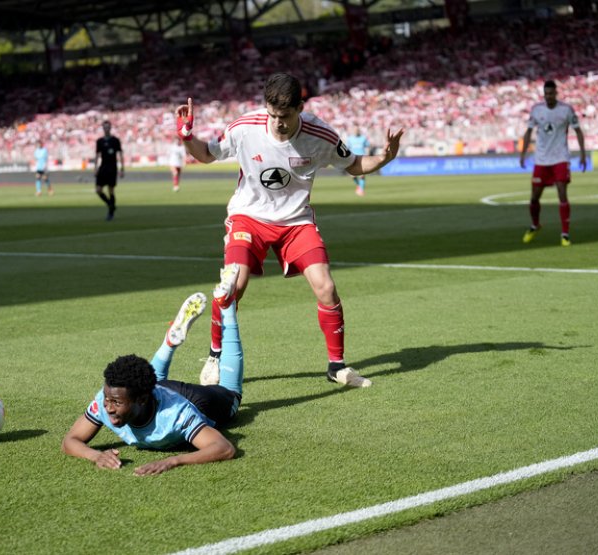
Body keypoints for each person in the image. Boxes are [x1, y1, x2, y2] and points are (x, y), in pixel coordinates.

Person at [175, 72, 403, 389]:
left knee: (326, 286)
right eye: (273, 114)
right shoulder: (244, 128)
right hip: (248, 217)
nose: (278, 123)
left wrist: (385, 158)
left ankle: (336, 366)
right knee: (233, 284)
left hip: (295, 222)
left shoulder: (319, 134)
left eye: (285, 115)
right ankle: (214, 356)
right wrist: (186, 135)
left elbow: (351, 165)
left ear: (300, 107)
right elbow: (205, 154)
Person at [62, 264, 244, 476]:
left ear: (140, 400)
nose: (108, 408)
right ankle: (169, 343)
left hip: (196, 401)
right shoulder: (107, 399)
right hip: (154, 391)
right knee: (142, 382)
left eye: (116, 403)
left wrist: (173, 461)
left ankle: (227, 305)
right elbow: (69, 441)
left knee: (232, 393)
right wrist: (95, 455)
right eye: (107, 400)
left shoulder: (177, 415)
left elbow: (224, 448)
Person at [519, 80, 586, 247]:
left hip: (560, 158)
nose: (548, 96)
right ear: (544, 94)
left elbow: (578, 131)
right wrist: (523, 153)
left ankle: (565, 234)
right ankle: (535, 225)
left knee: (562, 193)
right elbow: (528, 132)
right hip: (541, 159)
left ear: (556, 93)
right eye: (546, 93)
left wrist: (583, 154)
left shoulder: (566, 110)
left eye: (551, 93)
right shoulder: (536, 110)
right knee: (534, 197)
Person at [94, 120, 124, 221]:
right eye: (104, 127)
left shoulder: (115, 140)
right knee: (98, 190)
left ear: (110, 128)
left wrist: (122, 168)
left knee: (111, 190)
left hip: (112, 168)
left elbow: (120, 154)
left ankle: (111, 212)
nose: (106, 128)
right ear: (103, 128)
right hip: (103, 167)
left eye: (108, 127)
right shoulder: (99, 141)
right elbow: (97, 155)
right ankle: (110, 205)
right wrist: (95, 168)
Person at [346, 128, 370, 196]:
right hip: (353, 158)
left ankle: (361, 190)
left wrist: (367, 155)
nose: (356, 131)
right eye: (355, 130)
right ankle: (359, 186)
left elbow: (367, 146)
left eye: (357, 130)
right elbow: (347, 148)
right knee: (352, 176)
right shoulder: (350, 139)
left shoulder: (363, 138)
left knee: (362, 175)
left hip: (362, 157)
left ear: (359, 131)